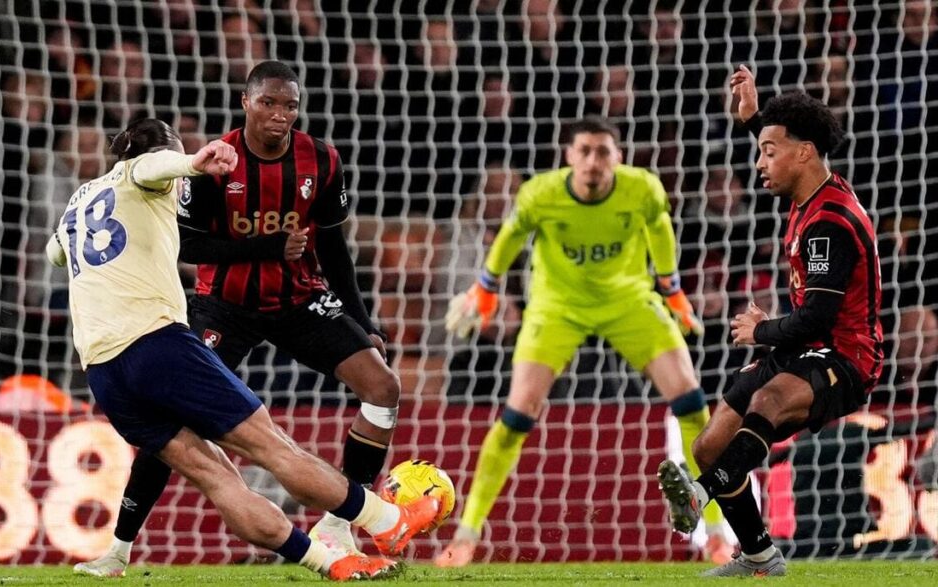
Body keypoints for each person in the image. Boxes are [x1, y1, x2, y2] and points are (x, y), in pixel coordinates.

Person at [49, 118, 439, 581]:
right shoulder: (149, 170)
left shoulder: (79, 200)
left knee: (216, 476)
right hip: (156, 344)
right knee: (274, 449)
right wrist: (193, 162)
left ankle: (332, 561)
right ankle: (388, 521)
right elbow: (154, 167)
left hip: (103, 372)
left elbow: (57, 252)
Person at [437, 117, 729, 567]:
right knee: (517, 416)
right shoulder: (541, 194)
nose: (594, 160)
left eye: (603, 151)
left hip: (629, 300)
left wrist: (671, 289)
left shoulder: (642, 188)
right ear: (569, 156)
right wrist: (486, 287)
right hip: (557, 307)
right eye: (585, 151)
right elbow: (512, 234)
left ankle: (715, 534)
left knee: (692, 402)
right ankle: (467, 535)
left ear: (618, 156)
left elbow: (659, 227)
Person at [657, 65, 884, 577]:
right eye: (761, 148)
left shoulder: (829, 223)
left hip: (846, 359)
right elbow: (787, 142)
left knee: (768, 400)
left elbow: (817, 317)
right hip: (805, 351)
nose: (760, 162)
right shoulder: (810, 188)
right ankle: (760, 554)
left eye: (768, 151)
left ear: (803, 152)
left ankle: (698, 496)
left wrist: (760, 330)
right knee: (709, 444)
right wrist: (753, 117)